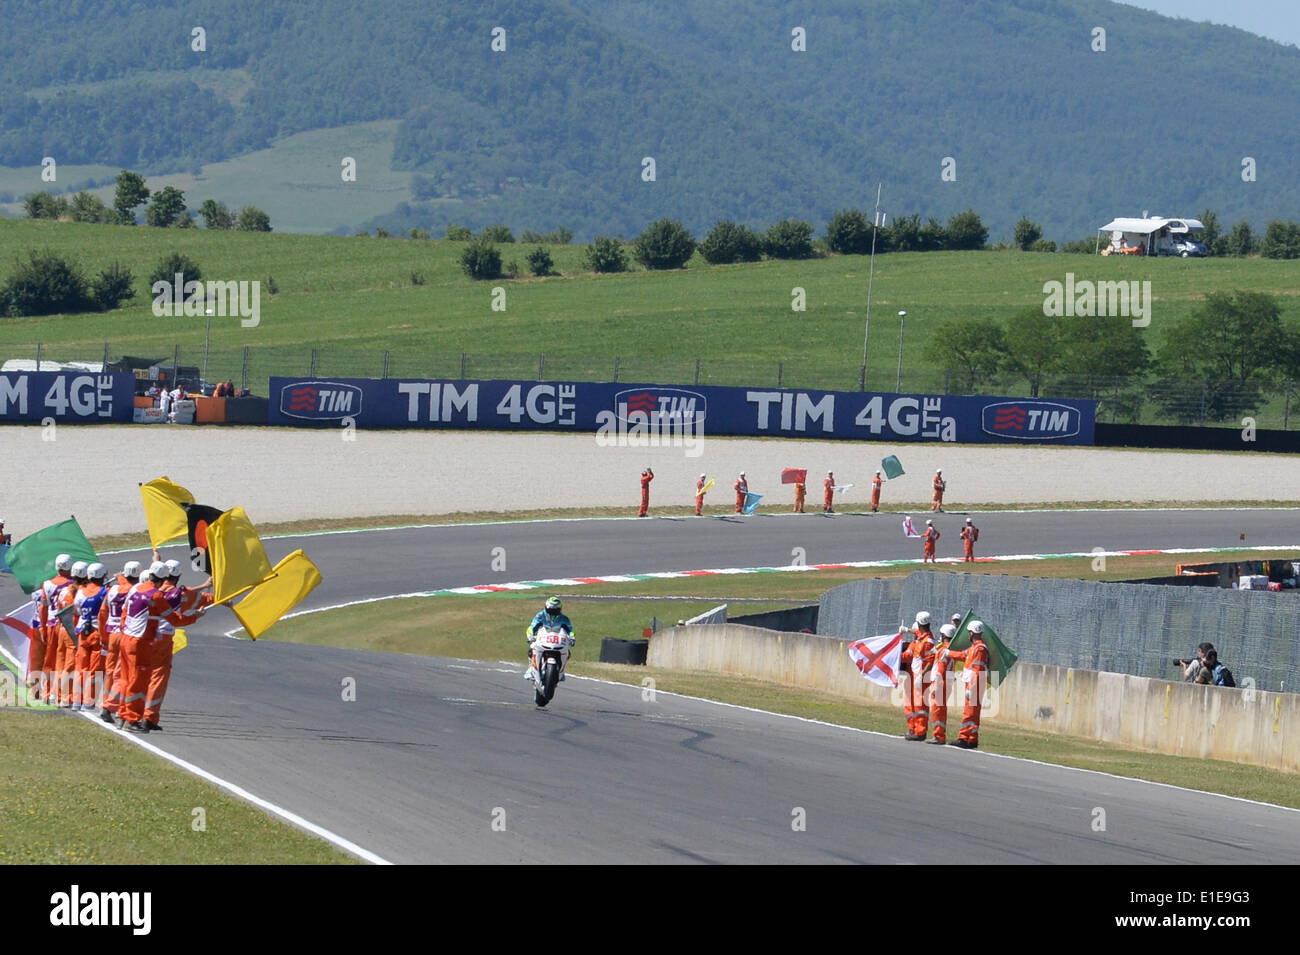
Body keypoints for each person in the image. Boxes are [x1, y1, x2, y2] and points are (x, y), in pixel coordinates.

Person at [144, 560, 210, 731]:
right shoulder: (181, 594)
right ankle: (149, 716)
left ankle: (131, 712)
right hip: (163, 638)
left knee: (139, 673)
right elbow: (206, 599)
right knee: (158, 677)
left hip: (142, 636)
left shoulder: (148, 588)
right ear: (178, 576)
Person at [117, 562, 172, 731]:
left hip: (126, 637)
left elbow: (124, 612)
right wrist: (196, 616)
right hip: (140, 642)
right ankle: (132, 719)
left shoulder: (135, 589)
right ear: (163, 580)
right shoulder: (156, 596)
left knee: (126, 679)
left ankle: (122, 714)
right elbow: (174, 618)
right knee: (138, 682)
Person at [99, 560, 141, 724]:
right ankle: (117, 706)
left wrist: (103, 636)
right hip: (125, 633)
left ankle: (105, 702)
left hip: (111, 633)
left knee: (110, 671)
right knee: (123, 672)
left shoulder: (112, 590)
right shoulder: (136, 590)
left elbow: (102, 613)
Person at [946, 620, 989, 748]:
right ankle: (972, 738)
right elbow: (962, 655)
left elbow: (977, 670)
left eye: (969, 632)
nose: (968, 635)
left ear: (972, 633)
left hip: (974, 684)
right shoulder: (974, 648)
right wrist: (948, 653)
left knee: (969, 712)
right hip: (974, 684)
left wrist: (972, 688)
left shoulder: (980, 649)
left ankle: (963, 738)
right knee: (974, 713)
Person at [71, 563, 108, 711]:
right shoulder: (105, 592)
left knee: (81, 667)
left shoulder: (80, 592)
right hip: (98, 632)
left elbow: (77, 610)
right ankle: (88, 701)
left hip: (83, 631)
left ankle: (76, 700)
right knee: (96, 668)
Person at [902, 612, 936, 740]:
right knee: (914, 704)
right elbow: (916, 632)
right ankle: (914, 730)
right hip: (916, 675)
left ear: (920, 624)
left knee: (920, 705)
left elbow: (930, 661)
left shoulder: (928, 642)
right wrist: (907, 630)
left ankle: (920, 732)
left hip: (921, 677)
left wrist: (921, 676)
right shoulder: (921, 636)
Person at [524, 596, 574, 683]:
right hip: (542, 638)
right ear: (546, 607)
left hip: (557, 640)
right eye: (551, 609)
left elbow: (570, 630)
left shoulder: (564, 618)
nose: (553, 611)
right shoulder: (540, 615)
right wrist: (530, 635)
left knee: (568, 653)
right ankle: (531, 668)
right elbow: (532, 626)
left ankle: (561, 672)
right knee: (531, 650)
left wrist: (572, 637)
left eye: (556, 609)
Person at [927, 623, 957, 744]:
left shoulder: (944, 650)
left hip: (941, 681)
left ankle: (938, 736)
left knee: (937, 709)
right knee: (941, 709)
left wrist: (937, 685)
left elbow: (941, 668)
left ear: (944, 635)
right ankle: (940, 735)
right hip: (947, 681)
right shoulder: (950, 648)